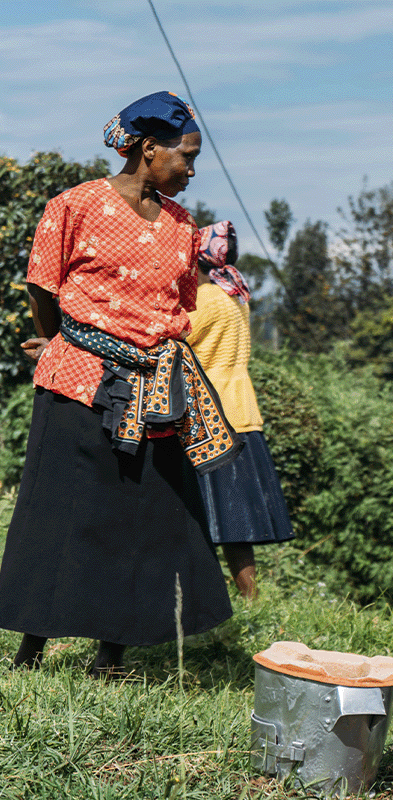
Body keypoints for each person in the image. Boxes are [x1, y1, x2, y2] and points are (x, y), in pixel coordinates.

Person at [0, 91, 236, 676]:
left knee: (138, 515)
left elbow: (181, 305)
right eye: (185, 156)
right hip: (78, 384)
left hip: (153, 391)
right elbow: (43, 288)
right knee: (60, 512)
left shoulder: (183, 227)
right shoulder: (73, 205)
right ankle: (32, 647)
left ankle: (112, 654)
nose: (190, 169)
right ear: (149, 149)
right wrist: (63, 342)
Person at [187, 221, 294, 600]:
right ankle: (251, 599)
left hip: (210, 412)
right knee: (236, 517)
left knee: (196, 512)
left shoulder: (205, 300)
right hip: (243, 409)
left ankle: (200, 599)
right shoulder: (235, 296)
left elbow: (170, 337)